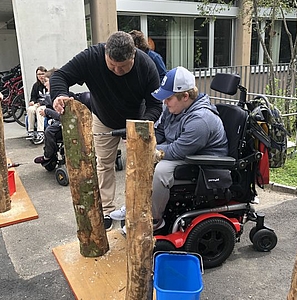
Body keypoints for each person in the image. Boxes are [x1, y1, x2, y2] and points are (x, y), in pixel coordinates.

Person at [50, 31, 162, 231]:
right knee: (104, 164)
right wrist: (59, 95)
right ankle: (108, 209)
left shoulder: (146, 66)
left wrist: (140, 125)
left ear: (133, 55)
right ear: (105, 54)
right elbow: (60, 76)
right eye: (112, 65)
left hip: (136, 120)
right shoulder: (91, 57)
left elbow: (155, 105)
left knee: (140, 167)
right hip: (103, 118)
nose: (117, 71)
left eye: (123, 67)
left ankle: (136, 209)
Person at [111, 66, 229, 234]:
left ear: (185, 96)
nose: (164, 102)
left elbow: (176, 151)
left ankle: (155, 219)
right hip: (188, 154)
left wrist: (143, 150)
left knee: (161, 171)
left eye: (169, 98)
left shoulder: (201, 120)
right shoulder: (174, 109)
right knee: (143, 159)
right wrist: (141, 142)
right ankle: (134, 207)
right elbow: (159, 132)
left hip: (205, 163)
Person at [34, 69, 91, 166]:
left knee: (49, 131)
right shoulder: (50, 98)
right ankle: (49, 153)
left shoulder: (67, 97)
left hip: (72, 125)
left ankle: (48, 156)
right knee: (49, 127)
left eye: (46, 81)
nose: (45, 84)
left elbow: (64, 118)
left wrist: (47, 111)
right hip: (61, 123)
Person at [27, 66, 48, 144]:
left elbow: (50, 97)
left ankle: (40, 132)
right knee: (30, 109)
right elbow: (33, 97)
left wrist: (40, 103)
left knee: (40, 110)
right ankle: (31, 131)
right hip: (37, 103)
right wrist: (32, 101)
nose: (40, 76)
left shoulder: (49, 83)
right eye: (38, 74)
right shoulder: (36, 85)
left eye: (42, 74)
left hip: (46, 104)